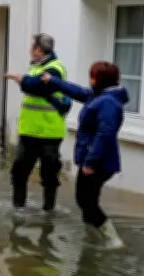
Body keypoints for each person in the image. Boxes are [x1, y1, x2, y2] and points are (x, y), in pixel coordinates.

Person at [40, 61, 128, 249]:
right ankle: (92, 236)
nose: (90, 80)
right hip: (94, 159)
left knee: (85, 200)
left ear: (99, 79)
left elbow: (105, 134)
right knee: (86, 200)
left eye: (92, 76)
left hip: (98, 162)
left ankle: (113, 240)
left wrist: (90, 162)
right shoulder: (100, 96)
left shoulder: (108, 102)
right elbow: (77, 91)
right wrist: (53, 81)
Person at [4, 34, 72, 216]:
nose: (29, 50)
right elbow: (33, 86)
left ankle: (48, 212)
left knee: (49, 176)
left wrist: (21, 80)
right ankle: (18, 209)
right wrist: (26, 81)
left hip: (50, 133)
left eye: (31, 47)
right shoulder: (35, 67)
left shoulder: (55, 68)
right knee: (19, 172)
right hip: (28, 132)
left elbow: (39, 87)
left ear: (38, 50)